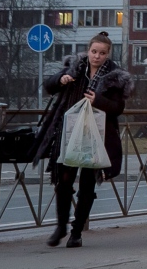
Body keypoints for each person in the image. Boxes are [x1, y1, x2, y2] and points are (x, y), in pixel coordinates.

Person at [30, 32, 132, 248]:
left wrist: (100, 100)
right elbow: (49, 86)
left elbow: (118, 108)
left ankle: (76, 232)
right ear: (88, 50)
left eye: (102, 53)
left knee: (87, 184)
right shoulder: (76, 67)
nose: (97, 56)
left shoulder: (115, 76)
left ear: (108, 54)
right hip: (68, 132)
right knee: (63, 180)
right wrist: (61, 79)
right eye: (94, 51)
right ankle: (61, 226)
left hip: (96, 137)